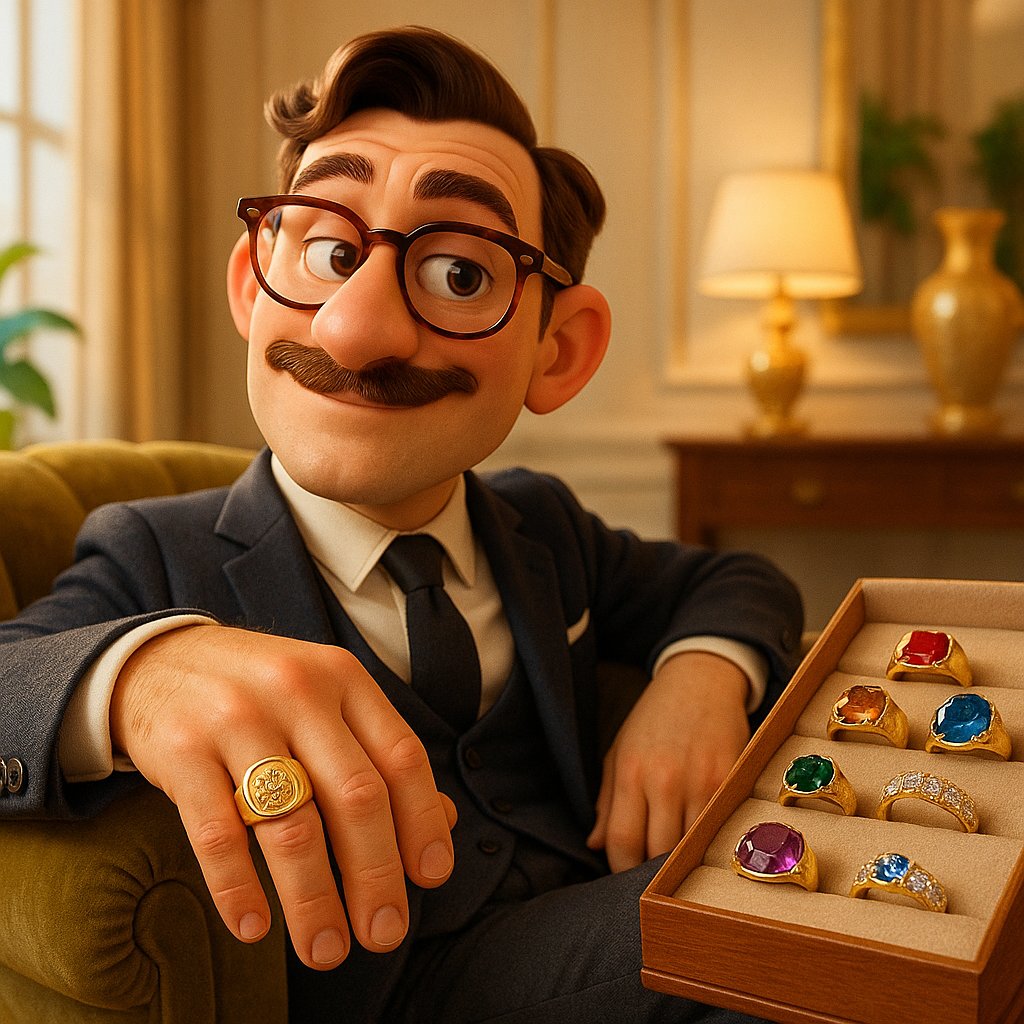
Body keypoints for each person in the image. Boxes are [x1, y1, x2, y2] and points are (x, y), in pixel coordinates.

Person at [0, 26, 802, 1024]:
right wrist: (134, 679)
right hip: (378, 993)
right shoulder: (157, 549)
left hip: (585, 931)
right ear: (254, 285)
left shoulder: (541, 527)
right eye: (330, 251)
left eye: (458, 274)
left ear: (557, 348)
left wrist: (701, 677)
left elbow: (731, 581)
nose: (356, 327)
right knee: (795, 921)